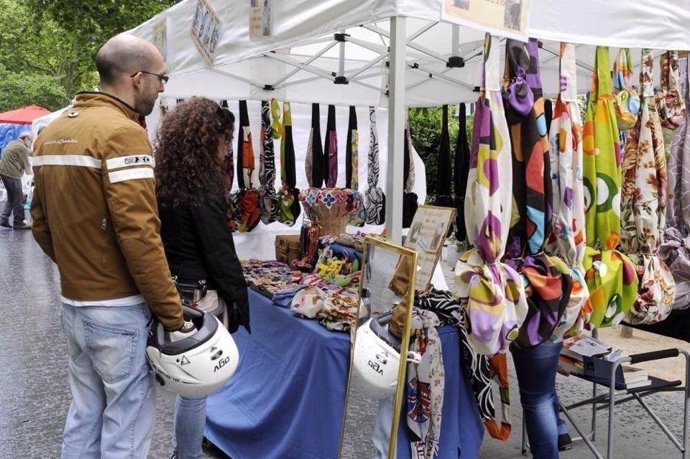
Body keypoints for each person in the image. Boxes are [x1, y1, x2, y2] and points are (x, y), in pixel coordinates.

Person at [30, 34, 193, 458]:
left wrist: (79, 268)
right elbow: (140, 234)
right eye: (161, 78)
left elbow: (40, 223)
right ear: (137, 79)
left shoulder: (53, 130)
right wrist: (172, 314)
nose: (162, 88)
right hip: (117, 308)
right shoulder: (123, 133)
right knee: (127, 422)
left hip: (75, 301)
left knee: (84, 413)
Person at [155, 96, 250, 459]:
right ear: (208, 138)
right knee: (195, 391)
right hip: (199, 297)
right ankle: (188, 455)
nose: (226, 150)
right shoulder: (203, 183)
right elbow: (218, 250)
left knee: (184, 385)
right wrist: (239, 301)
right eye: (224, 140)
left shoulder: (163, 174)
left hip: (171, 288)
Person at [0, 131, 33, 229]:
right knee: (18, 199)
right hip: (12, 174)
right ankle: (19, 222)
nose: (30, 143)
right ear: (26, 139)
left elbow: (29, 153)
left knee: (11, 198)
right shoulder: (21, 147)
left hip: (4, 173)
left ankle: (4, 218)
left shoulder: (13, 143)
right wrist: (31, 173)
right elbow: (25, 163)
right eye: (30, 140)